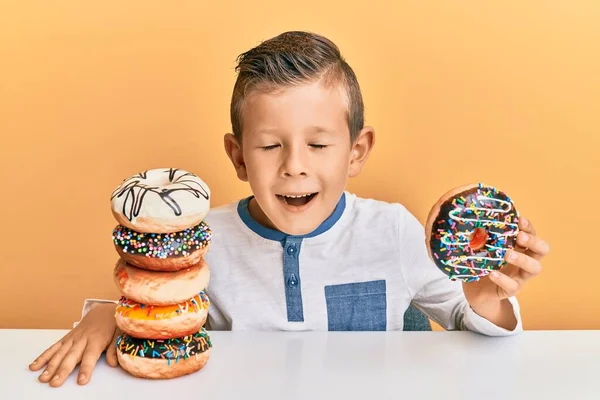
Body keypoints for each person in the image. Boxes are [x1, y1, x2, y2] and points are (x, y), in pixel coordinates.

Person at [29, 30, 550, 387]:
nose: (294, 167)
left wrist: (484, 300)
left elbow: (474, 337)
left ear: (357, 152)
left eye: (319, 145)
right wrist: (108, 316)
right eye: (270, 146)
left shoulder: (391, 230)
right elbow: (161, 315)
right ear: (237, 157)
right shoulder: (203, 239)